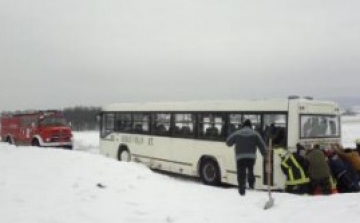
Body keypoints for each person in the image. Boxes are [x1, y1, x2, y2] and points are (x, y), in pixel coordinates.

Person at [226, 119, 267, 196]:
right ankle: (251, 184)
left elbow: (228, 142)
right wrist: (265, 154)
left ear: (243, 125)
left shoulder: (237, 133)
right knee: (250, 170)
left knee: (241, 173)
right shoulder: (255, 134)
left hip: (240, 157)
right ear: (251, 126)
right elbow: (261, 145)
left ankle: (242, 190)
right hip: (251, 157)